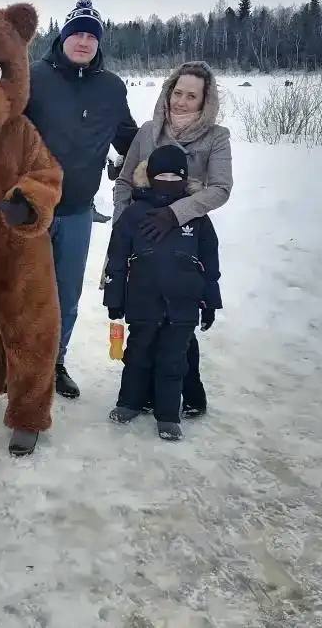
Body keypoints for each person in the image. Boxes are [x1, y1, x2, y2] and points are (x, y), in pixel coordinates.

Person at [25, 0, 138, 399]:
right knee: (21, 293)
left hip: (76, 213)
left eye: (92, 36)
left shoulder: (111, 88)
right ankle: (13, 363)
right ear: (64, 36)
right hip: (30, 211)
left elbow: (130, 140)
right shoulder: (33, 78)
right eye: (78, 34)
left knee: (66, 295)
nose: (84, 41)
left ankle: (54, 362)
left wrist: (174, 154)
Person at [111, 61, 232, 417]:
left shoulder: (216, 137)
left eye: (191, 96)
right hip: (143, 239)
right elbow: (124, 181)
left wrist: (176, 214)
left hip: (185, 238)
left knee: (179, 325)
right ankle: (147, 394)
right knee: (146, 321)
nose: (181, 101)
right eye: (177, 93)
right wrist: (124, 228)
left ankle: (190, 393)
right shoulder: (149, 132)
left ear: (204, 101)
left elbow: (220, 188)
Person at [103, 145, 222, 441]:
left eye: (176, 176)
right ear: (150, 177)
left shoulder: (195, 217)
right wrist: (114, 299)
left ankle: (168, 415)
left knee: (173, 361)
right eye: (162, 176)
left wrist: (210, 302)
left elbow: (210, 264)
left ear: (185, 179)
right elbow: (117, 259)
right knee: (137, 355)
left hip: (183, 306)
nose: (169, 182)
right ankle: (129, 402)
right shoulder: (134, 215)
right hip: (143, 301)